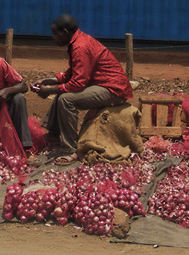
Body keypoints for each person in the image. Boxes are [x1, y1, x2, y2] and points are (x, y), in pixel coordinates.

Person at [32, 14, 133, 164]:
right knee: (62, 93)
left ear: (65, 32)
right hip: (102, 84)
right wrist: (47, 81)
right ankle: (53, 135)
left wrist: (49, 90)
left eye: (55, 34)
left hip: (114, 89)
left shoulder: (80, 47)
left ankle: (71, 149)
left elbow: (77, 83)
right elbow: (72, 74)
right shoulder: (78, 41)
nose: (54, 38)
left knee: (66, 99)